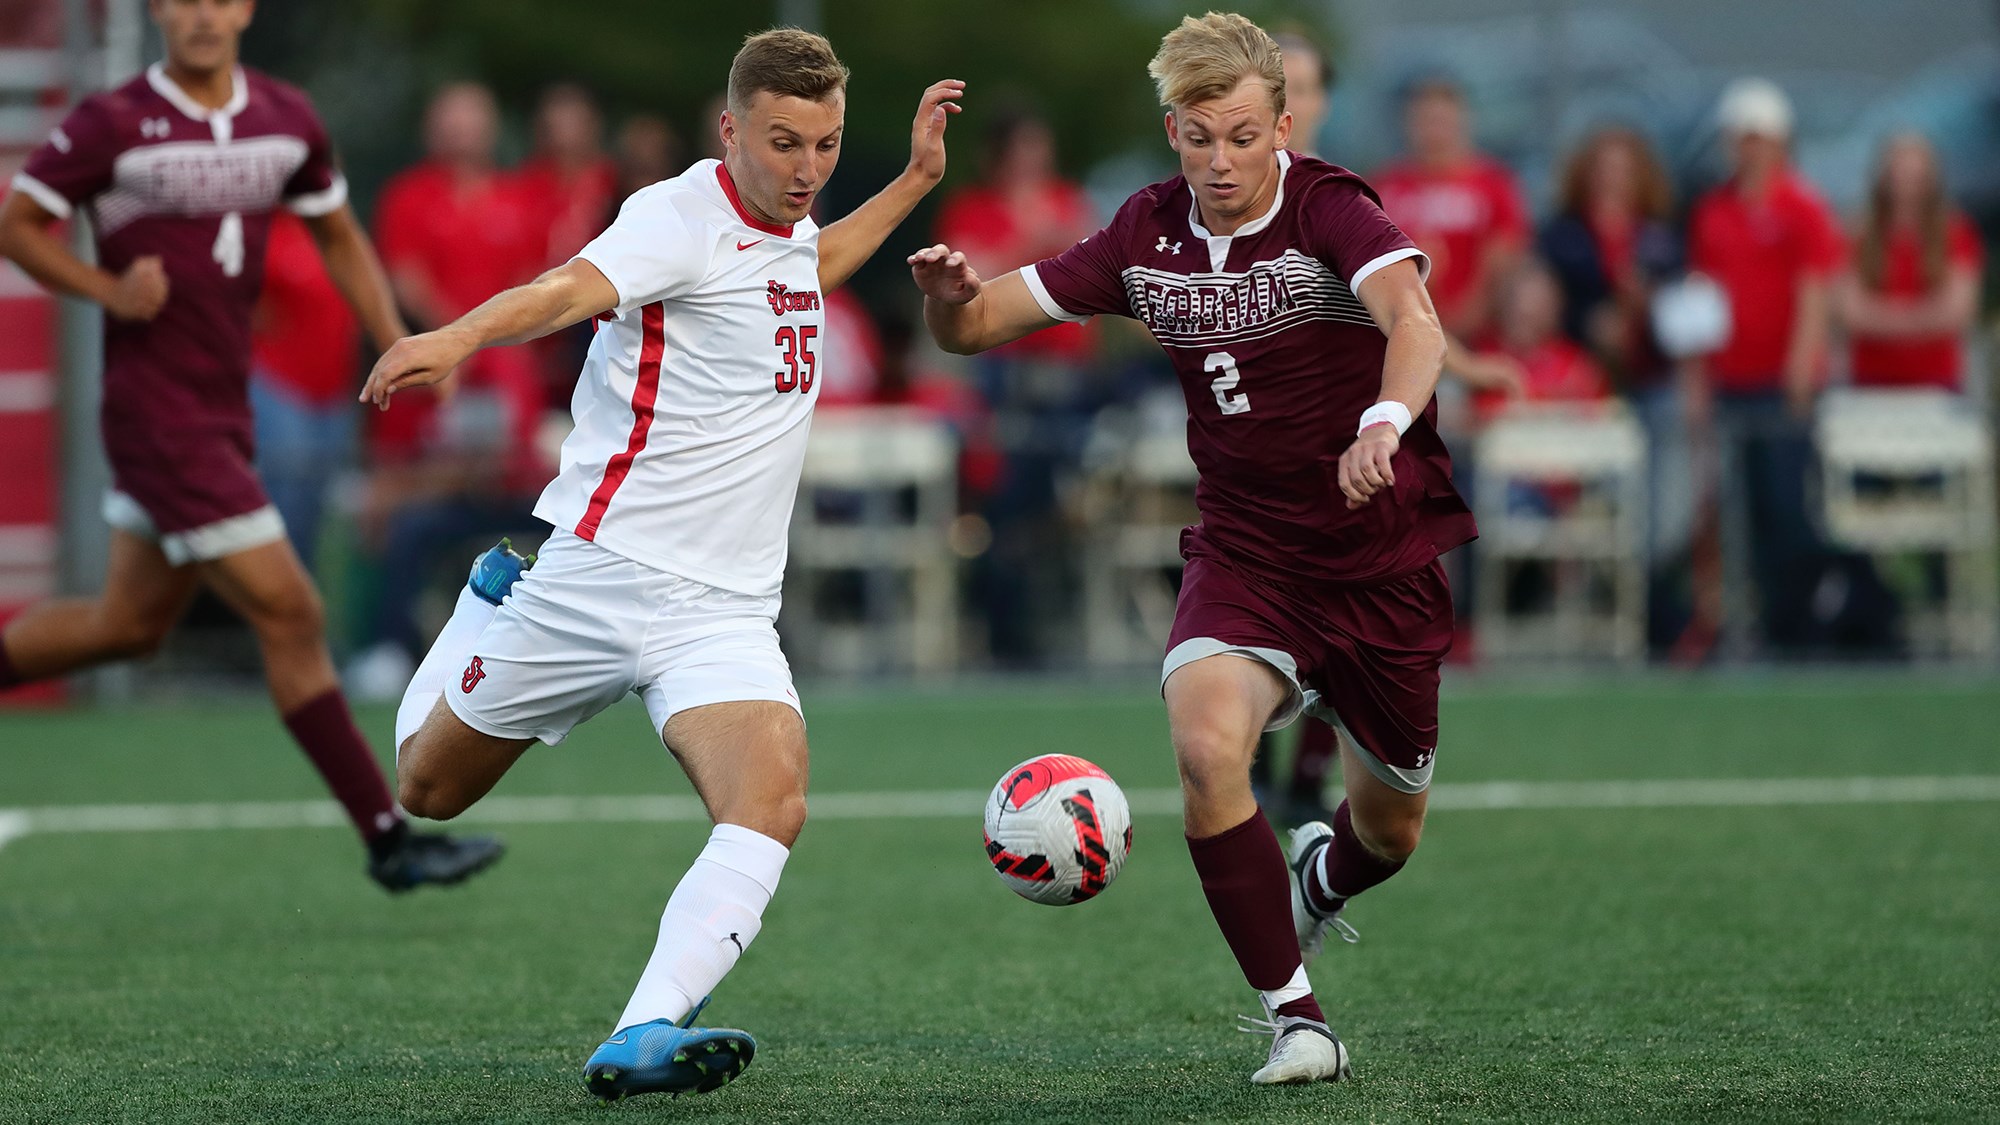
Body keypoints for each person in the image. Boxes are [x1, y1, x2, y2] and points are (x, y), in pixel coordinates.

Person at [359, 29, 963, 1101]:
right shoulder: (675, 216)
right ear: (730, 129)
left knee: (771, 800)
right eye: (783, 143)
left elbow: (810, 263)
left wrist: (914, 180)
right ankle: (476, 610)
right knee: (426, 788)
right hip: (601, 575)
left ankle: (639, 1033)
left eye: (823, 144)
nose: (807, 167)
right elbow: (563, 287)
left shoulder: (790, 224)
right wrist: (453, 339)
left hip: (722, 611)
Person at [910, 12, 1471, 1085]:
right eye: (1199, 135)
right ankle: (1295, 1021)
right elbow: (977, 326)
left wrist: (1382, 424)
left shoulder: (1329, 208)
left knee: (1389, 831)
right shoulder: (1142, 233)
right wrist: (946, 305)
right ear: (1171, 130)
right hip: (1246, 555)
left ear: (1283, 128)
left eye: (1243, 136)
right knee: (1208, 752)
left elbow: (1414, 321)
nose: (1221, 160)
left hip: (1378, 561)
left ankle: (1317, 886)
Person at [0, 0, 501, 891]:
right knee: (293, 611)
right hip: (159, 420)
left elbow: (339, 234)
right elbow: (18, 227)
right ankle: (390, 838)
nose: (200, 14)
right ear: (158, 10)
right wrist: (108, 291)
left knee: (129, 624)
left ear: (244, 9)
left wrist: (398, 338)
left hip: (220, 410)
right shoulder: (112, 122)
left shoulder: (284, 118)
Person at [933, 106, 1098, 666]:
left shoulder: (1068, 201)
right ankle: (1006, 625)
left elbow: (1099, 273)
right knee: (1004, 498)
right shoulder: (975, 209)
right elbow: (964, 280)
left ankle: (1051, 615)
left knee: (1058, 495)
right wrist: (1032, 241)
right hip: (1002, 373)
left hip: (1067, 376)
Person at [1687, 78, 1845, 654]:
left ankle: (1798, 621)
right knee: (1742, 508)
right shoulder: (1715, 212)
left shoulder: (1802, 207)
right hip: (1732, 380)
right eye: (1740, 138)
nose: (1747, 149)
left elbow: (1813, 291)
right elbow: (1705, 302)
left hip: (1781, 384)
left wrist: (1803, 366)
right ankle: (1755, 624)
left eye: (1757, 138)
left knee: (1787, 503)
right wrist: (1700, 380)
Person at [1537, 127, 1695, 650]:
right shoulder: (1563, 237)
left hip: (1651, 381)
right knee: (1586, 507)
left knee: (1663, 509)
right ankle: (1619, 608)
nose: (1613, 179)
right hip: (1584, 387)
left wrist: (1643, 309)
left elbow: (1689, 317)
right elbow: (1545, 312)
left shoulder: (1661, 237)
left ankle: (1651, 603)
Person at [250, 210, 360, 573]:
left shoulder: (340, 233)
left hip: (334, 393)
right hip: (283, 388)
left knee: (323, 510)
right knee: (286, 506)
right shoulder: (270, 231)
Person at [1840, 132, 1983, 393]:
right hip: (1871, 380)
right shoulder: (1858, 235)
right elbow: (1850, 311)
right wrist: (1923, 318)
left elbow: (1958, 311)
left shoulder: (1957, 234)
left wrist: (1882, 318)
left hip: (1937, 381)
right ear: (1884, 177)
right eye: (1900, 172)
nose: (1907, 183)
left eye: (1914, 174)